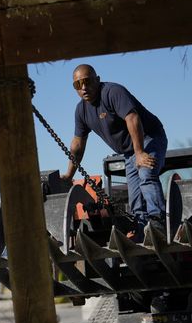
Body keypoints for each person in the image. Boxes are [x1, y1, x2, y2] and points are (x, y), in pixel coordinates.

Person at [62, 64, 168, 240]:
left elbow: (132, 117)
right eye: (77, 85)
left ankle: (158, 223)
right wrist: (68, 175)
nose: (83, 88)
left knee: (146, 173)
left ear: (97, 80)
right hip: (128, 151)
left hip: (149, 137)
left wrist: (140, 152)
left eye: (87, 82)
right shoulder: (81, 111)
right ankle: (141, 231)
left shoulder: (112, 92)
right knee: (134, 193)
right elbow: (78, 144)